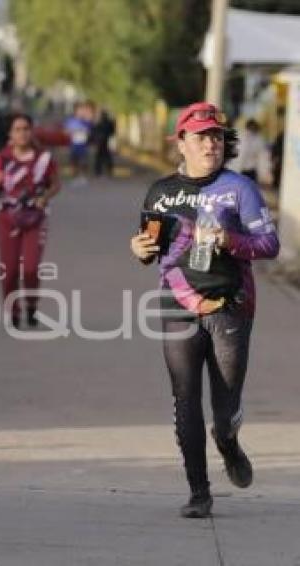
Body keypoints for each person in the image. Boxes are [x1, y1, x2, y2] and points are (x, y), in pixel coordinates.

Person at [129, 102, 279, 519]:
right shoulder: (161, 192)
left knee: (225, 406)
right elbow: (150, 246)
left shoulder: (239, 188)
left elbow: (269, 246)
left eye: (216, 136)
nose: (211, 144)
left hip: (232, 305)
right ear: (182, 142)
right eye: (201, 137)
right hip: (175, 304)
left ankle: (228, 441)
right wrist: (138, 248)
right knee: (184, 397)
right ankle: (199, 491)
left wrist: (229, 241)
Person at [0, 113, 61, 327]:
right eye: (17, 129)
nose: (22, 133)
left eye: (26, 128)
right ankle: (13, 309)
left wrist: (44, 198)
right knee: (9, 270)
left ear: (31, 131)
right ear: (11, 133)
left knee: (30, 268)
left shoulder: (44, 159)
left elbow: (55, 184)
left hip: (35, 218)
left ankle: (30, 305)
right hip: (7, 218)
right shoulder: (3, 158)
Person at [229, 118, 270, 184]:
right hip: (240, 169)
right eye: (250, 129)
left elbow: (262, 158)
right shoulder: (240, 137)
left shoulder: (259, 140)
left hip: (251, 171)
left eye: (253, 129)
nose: (251, 131)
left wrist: (264, 173)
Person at [64, 101, 93, 186]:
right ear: (76, 111)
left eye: (82, 110)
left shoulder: (86, 121)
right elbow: (66, 131)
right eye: (80, 110)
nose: (81, 112)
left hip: (83, 144)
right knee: (73, 162)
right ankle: (74, 178)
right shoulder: (71, 121)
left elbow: (90, 131)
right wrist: (72, 131)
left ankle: (83, 177)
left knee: (83, 162)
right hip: (74, 144)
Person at [91, 109, 116, 177]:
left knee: (101, 157)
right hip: (103, 142)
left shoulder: (100, 123)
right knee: (104, 157)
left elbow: (94, 132)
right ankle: (104, 170)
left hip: (102, 142)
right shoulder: (105, 123)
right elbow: (112, 132)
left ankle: (100, 171)